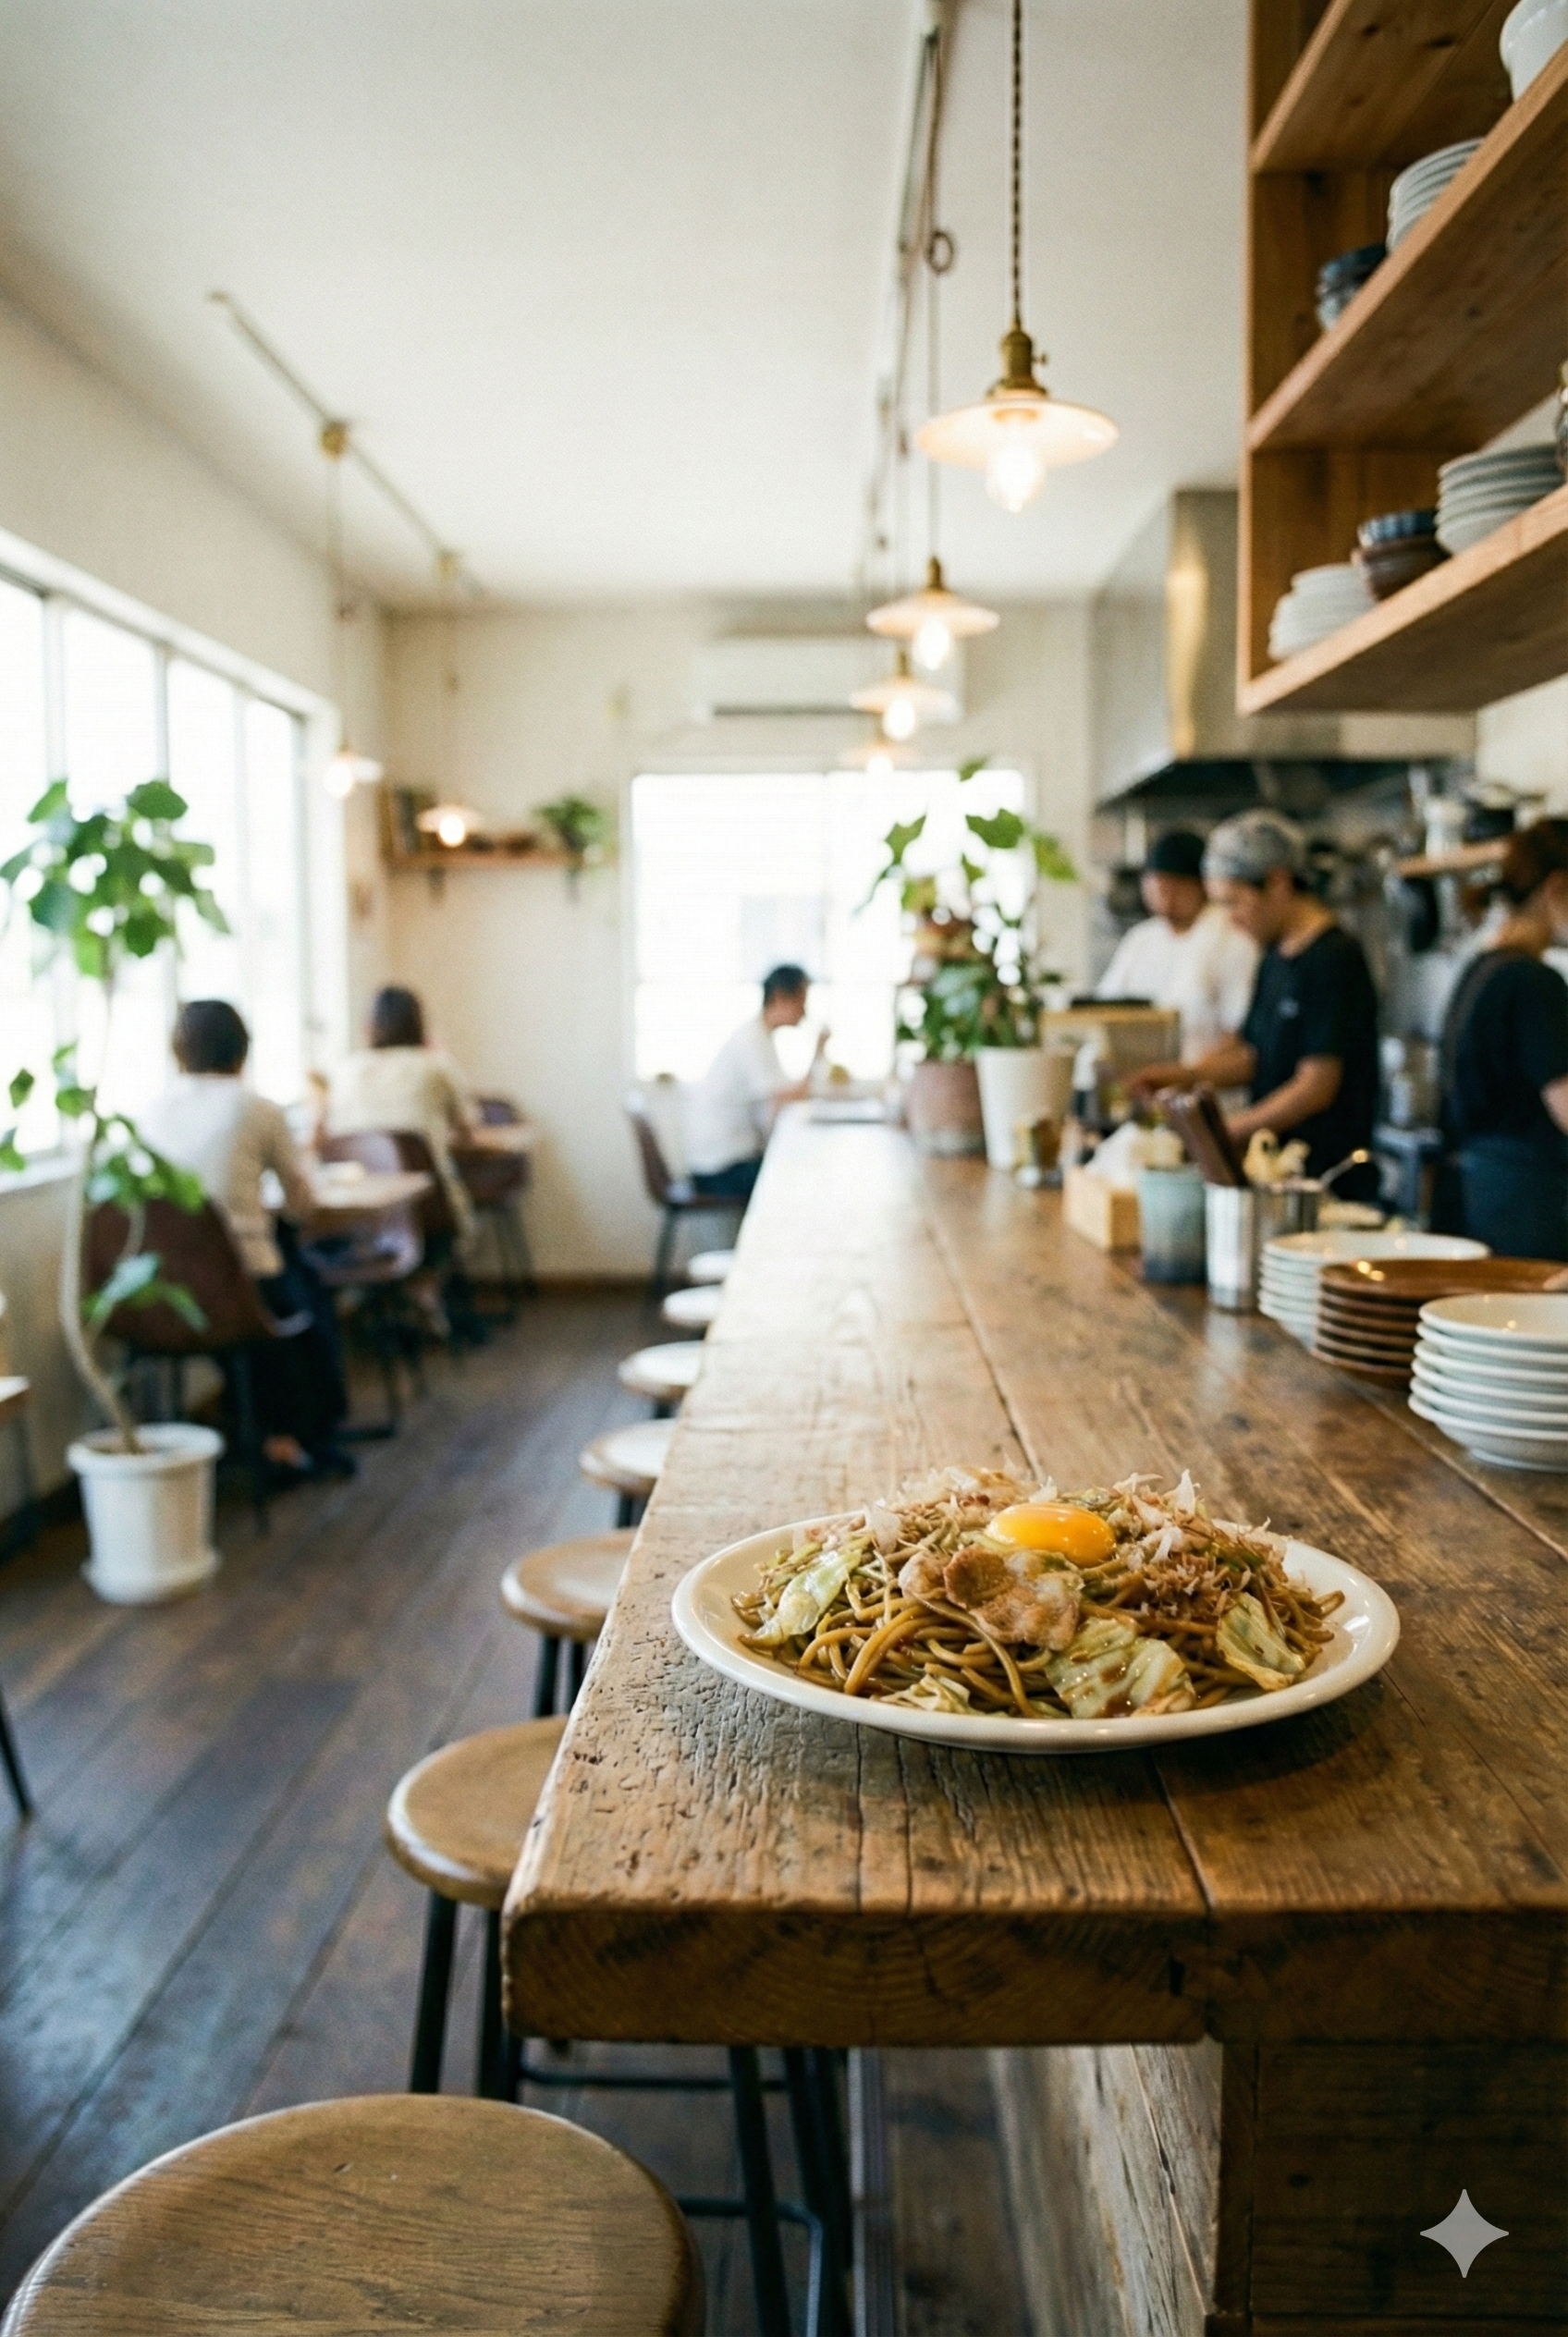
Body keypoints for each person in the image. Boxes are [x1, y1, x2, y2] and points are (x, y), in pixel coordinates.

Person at [140, 999, 350, 1480]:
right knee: (305, 1294)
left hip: (157, 1292)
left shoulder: (152, 1109)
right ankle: (295, 1437)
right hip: (238, 1290)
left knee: (277, 1290)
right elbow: (301, 1204)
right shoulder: (257, 1108)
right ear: (242, 1051)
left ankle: (253, 1424)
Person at [1129, 810, 1380, 1196]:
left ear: (1278, 883)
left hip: (1324, 1180)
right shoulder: (1275, 955)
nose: (1231, 920)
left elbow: (1316, 1086)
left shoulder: (1334, 958)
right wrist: (1182, 1076)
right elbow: (1252, 1053)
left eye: (1234, 903)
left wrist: (1226, 1132)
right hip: (1275, 1175)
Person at [1435, 820, 1568, 1259]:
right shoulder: (1534, 982)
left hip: (1481, 1193)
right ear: (1558, 889)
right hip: (1525, 1204)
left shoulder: (1482, 967)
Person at [326, 986, 480, 1245]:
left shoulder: (345, 1071)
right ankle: (430, 1280)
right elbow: (468, 1129)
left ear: (369, 1026)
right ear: (419, 1023)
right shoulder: (436, 1065)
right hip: (428, 1211)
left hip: (356, 1217)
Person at [1096, 827, 1258, 1060]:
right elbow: (1106, 1007)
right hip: (1142, 1080)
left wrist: (1185, 1076)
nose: (1166, 899)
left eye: (1175, 888)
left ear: (1203, 886)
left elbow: (1239, 1033)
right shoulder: (1141, 939)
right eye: (1157, 889)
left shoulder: (1232, 935)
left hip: (1206, 1084)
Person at [682, 964, 827, 1203]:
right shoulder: (751, 1040)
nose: (805, 1012)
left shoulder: (760, 1036)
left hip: (729, 1162)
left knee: (800, 1170)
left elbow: (785, 1096)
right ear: (780, 997)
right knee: (801, 1178)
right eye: (802, 1001)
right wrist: (818, 1051)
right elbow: (790, 1096)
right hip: (719, 1170)